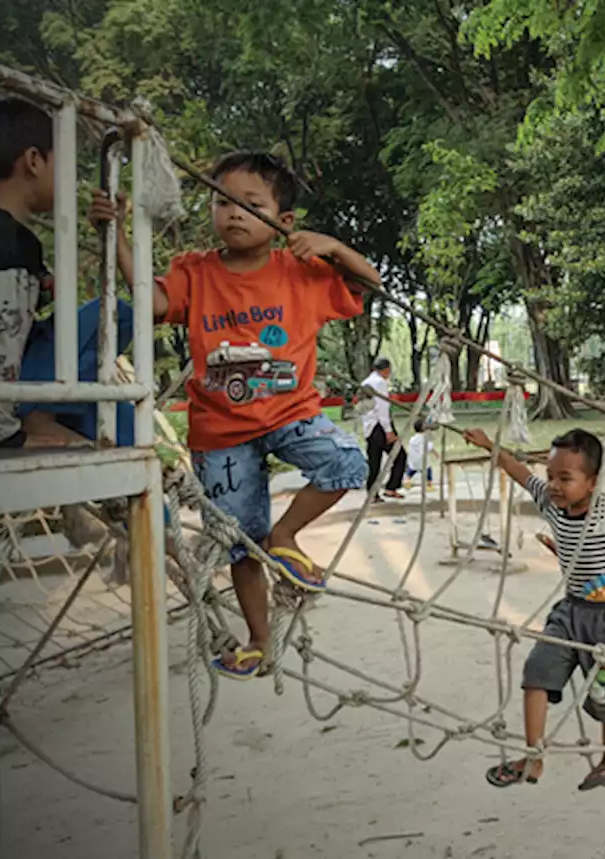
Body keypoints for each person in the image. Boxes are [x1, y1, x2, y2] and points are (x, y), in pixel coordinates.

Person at [108, 150, 379, 679]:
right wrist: (114, 234)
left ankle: (288, 536)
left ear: (284, 222)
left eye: (249, 204)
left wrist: (335, 247)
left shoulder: (302, 270)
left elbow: (369, 284)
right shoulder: (195, 271)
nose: (231, 213)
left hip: (290, 412)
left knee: (348, 462)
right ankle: (259, 639)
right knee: (238, 538)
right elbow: (153, 302)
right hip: (221, 432)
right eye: (221, 201)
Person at [462, 427, 605, 790]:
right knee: (536, 671)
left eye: (564, 478)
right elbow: (520, 472)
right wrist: (490, 446)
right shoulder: (552, 503)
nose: (552, 484)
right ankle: (533, 758)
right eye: (551, 475)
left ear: (593, 482)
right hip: (569, 612)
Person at [0, 97, 136, 449]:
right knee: (116, 313)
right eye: (63, 164)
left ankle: (45, 411)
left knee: (113, 411)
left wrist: (109, 237)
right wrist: (7, 433)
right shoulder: (8, 240)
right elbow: (0, 331)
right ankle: (35, 414)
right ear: (34, 161)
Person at [359, 357, 407, 500]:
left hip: (369, 425)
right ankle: (392, 487)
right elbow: (382, 407)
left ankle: (372, 492)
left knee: (374, 460)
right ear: (386, 370)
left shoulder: (365, 382)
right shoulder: (380, 383)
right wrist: (388, 430)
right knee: (400, 455)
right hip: (379, 425)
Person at [405, 418, 437, 489]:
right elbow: (430, 447)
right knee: (428, 469)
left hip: (414, 461)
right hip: (423, 461)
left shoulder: (412, 439)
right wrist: (436, 454)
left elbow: (410, 450)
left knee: (411, 469)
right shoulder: (425, 438)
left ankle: (407, 480)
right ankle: (429, 484)